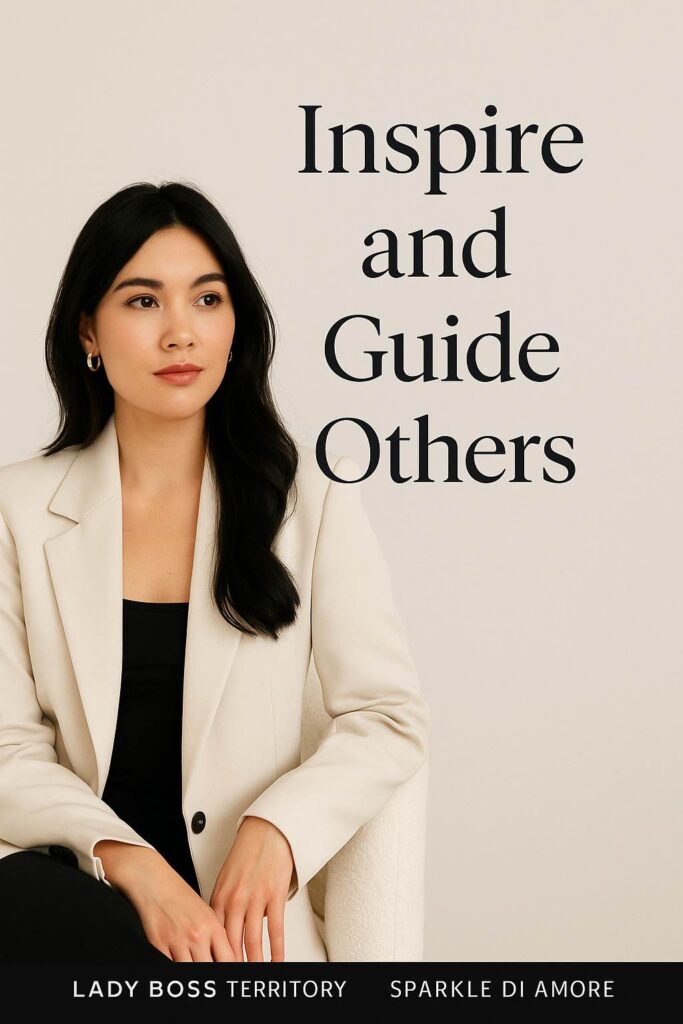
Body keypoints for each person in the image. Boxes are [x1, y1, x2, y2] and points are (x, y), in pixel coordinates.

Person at [0, 181, 431, 963]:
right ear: (87, 332)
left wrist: (278, 829)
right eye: (141, 302)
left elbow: (386, 716)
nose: (180, 334)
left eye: (207, 300)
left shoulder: (310, 505)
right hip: (76, 905)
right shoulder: (15, 511)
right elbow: (5, 750)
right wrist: (131, 867)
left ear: (236, 327)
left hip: (238, 940)